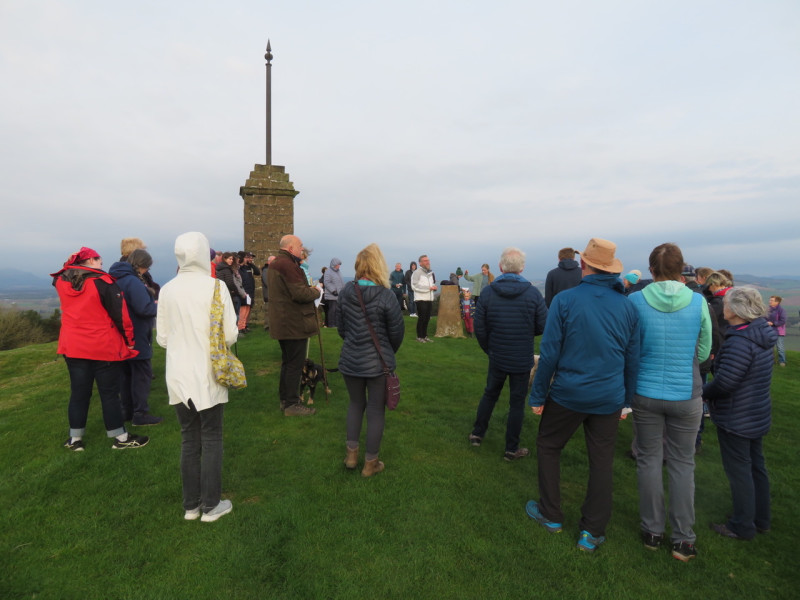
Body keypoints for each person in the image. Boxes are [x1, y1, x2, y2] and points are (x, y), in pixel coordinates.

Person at [526, 238, 639, 554]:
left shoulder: (565, 300)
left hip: (568, 392)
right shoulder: (628, 307)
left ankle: (551, 513)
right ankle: (592, 531)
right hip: (609, 395)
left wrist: (538, 395)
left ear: (584, 264)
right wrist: (627, 401)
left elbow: (549, 353)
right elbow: (632, 359)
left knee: (549, 446)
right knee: (601, 461)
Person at [627, 243, 712, 563]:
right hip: (686, 394)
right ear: (681, 271)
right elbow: (704, 351)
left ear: (651, 271)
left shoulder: (635, 300)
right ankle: (683, 539)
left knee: (648, 460)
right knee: (682, 463)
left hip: (646, 392)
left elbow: (631, 345)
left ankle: (652, 531)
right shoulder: (698, 301)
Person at [156, 232, 237, 522]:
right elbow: (230, 334)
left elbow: (163, 339)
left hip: (178, 373)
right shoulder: (216, 286)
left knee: (189, 439)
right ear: (204, 254)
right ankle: (211, 506)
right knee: (212, 436)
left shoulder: (167, 290)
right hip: (207, 371)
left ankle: (191, 506)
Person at [51, 247, 149, 451]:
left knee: (79, 393)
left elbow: (65, 271)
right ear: (90, 261)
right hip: (102, 345)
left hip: (73, 345)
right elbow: (120, 315)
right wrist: (129, 340)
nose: (101, 264)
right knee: (109, 393)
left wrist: (71, 262)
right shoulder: (103, 282)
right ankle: (120, 437)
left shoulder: (61, 280)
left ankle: (75, 439)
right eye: (99, 261)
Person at [704, 287, 776, 540]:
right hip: (756, 410)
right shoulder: (760, 334)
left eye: (726, 304)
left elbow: (725, 383)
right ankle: (760, 518)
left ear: (735, 310)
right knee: (756, 466)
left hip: (737, 415)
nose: (723, 308)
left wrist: (702, 392)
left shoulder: (740, 342)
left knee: (740, 471)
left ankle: (742, 525)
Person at [469, 247, 547, 461]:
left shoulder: (488, 292)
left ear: (501, 267)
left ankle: (477, 434)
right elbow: (543, 324)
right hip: (521, 356)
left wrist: (489, 348)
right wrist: (526, 333)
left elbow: (480, 327)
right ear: (522, 268)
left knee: (490, 394)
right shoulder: (532, 293)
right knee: (517, 403)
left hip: (498, 354)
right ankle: (511, 449)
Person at [338, 243, 405, 477]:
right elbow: (397, 333)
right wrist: (386, 351)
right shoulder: (386, 295)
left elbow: (342, 328)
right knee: (376, 410)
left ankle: (351, 456)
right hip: (378, 363)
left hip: (350, 359)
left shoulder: (346, 292)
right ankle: (370, 463)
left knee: (355, 404)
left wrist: (355, 343)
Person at [267, 235, 321, 416]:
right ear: (290, 248)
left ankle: (285, 400)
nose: (302, 249)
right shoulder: (288, 265)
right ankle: (291, 404)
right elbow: (300, 293)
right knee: (294, 365)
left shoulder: (276, 263)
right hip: (293, 323)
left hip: (283, 321)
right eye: (300, 246)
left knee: (288, 363)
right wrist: (316, 291)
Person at [109, 249, 162, 426]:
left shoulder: (116, 277)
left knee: (126, 375)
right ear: (142, 265)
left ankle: (127, 410)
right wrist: (160, 307)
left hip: (121, 334)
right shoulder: (132, 281)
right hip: (137, 333)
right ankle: (140, 414)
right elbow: (144, 309)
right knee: (141, 375)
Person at [410, 254, 437, 342]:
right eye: (425, 261)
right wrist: (429, 288)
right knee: (422, 318)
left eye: (428, 260)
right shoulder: (416, 273)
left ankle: (424, 336)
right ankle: (419, 337)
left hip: (429, 298)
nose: (427, 262)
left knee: (427, 318)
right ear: (420, 263)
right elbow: (414, 286)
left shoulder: (430, 273)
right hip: (420, 299)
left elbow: (431, 284)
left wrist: (434, 287)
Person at [238, 251, 260, 333]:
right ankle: (241, 327)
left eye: (251, 258)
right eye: (248, 257)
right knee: (243, 310)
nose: (250, 259)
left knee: (248, 309)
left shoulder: (249, 267)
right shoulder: (241, 268)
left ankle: (245, 325)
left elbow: (258, 272)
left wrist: (251, 264)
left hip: (250, 291)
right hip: (244, 291)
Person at [323, 257, 345, 327]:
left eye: (339, 265)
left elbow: (341, 282)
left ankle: (336, 324)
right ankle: (331, 324)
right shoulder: (328, 272)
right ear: (334, 264)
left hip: (338, 295)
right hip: (332, 295)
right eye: (338, 265)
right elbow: (327, 282)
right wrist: (333, 291)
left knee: (337, 311)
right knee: (332, 311)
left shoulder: (338, 272)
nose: (339, 266)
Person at [767, 296, 787, 366]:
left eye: (772, 300)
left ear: (777, 302)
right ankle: (771, 361)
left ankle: (782, 361)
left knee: (780, 347)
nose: (770, 301)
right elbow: (763, 318)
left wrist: (773, 323)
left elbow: (783, 321)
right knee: (770, 347)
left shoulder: (781, 310)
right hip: (769, 330)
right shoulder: (767, 310)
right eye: (770, 300)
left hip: (779, 331)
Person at [260, 255, 276, 330]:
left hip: (273, 293)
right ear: (269, 262)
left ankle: (272, 325)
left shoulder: (272, 270)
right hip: (268, 294)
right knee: (268, 311)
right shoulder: (266, 270)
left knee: (273, 311)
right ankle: (267, 326)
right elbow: (267, 282)